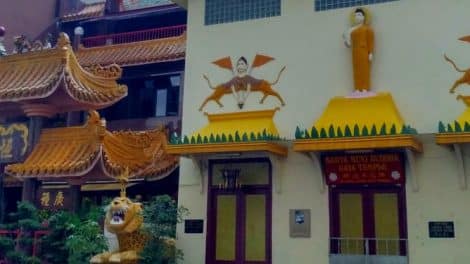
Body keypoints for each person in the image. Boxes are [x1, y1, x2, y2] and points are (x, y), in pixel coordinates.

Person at [343, 8, 374, 92]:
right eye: (356, 15)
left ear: (364, 17)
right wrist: (346, 40)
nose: (357, 17)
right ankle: (357, 88)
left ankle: (365, 88)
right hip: (355, 53)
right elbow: (349, 44)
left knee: (364, 70)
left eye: (359, 15)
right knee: (356, 71)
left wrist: (370, 53)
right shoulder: (352, 31)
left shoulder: (367, 29)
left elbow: (371, 41)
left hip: (363, 51)